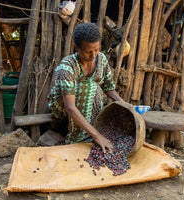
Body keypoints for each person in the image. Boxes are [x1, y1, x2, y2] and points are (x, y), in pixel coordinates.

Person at [48, 23, 130, 153]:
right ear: (77, 48)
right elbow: (69, 107)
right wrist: (98, 136)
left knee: (96, 88)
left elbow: (108, 87)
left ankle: (92, 131)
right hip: (62, 106)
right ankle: (78, 137)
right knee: (89, 86)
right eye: (88, 52)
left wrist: (122, 103)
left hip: (88, 102)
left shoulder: (101, 59)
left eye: (97, 50)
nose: (93, 55)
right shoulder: (67, 66)